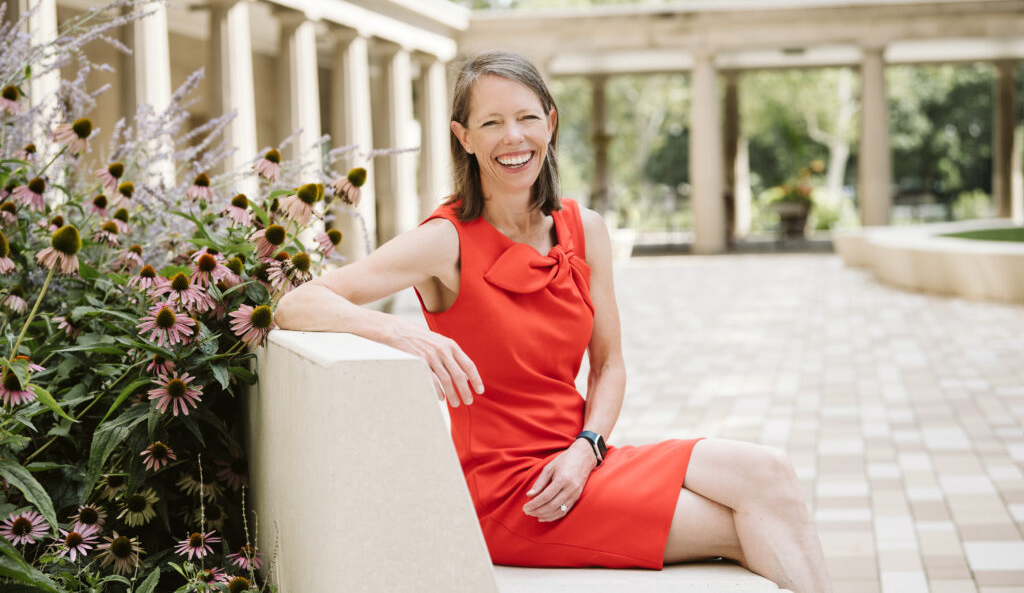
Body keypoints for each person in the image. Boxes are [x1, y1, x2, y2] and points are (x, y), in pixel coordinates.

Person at [274, 51, 832, 592]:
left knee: (771, 474)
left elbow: (610, 365)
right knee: (745, 523)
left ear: (551, 123)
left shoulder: (583, 228)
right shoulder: (445, 241)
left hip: (582, 457)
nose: (513, 137)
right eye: (491, 122)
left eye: (526, 118)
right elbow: (296, 303)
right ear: (463, 137)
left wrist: (587, 447)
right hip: (516, 493)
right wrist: (401, 332)